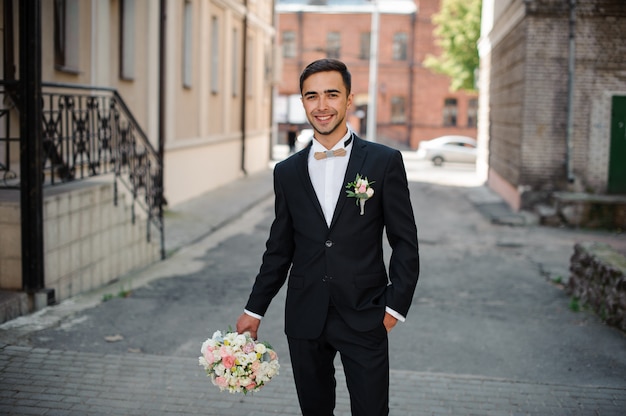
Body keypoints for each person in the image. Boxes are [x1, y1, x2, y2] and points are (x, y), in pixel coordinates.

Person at [236, 58, 419, 416]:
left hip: (366, 313)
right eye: (312, 96)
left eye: (332, 95)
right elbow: (279, 248)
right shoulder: (287, 172)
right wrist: (253, 310)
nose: (322, 106)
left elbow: (405, 242)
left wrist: (393, 308)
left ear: (349, 99)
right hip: (305, 316)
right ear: (303, 102)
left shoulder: (384, 162)